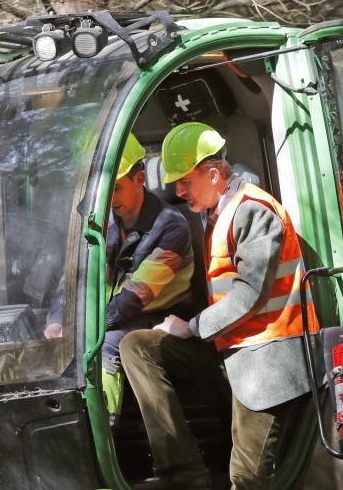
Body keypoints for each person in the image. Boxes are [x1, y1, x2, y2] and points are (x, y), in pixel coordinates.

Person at [120, 122, 316, 490]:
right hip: (229, 349)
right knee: (139, 345)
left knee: (247, 477)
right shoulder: (216, 214)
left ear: (213, 174)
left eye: (185, 182)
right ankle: (183, 474)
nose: (177, 192)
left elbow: (248, 294)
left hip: (265, 359)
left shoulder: (253, 211)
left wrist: (191, 327)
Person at [45, 133, 195, 420]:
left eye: (116, 189)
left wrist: (85, 330)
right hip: (109, 315)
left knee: (107, 343)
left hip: (160, 320)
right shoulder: (102, 222)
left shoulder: (172, 227)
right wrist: (56, 320)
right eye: (104, 191)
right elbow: (73, 278)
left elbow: (134, 297)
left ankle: (103, 425)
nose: (109, 200)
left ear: (140, 178)